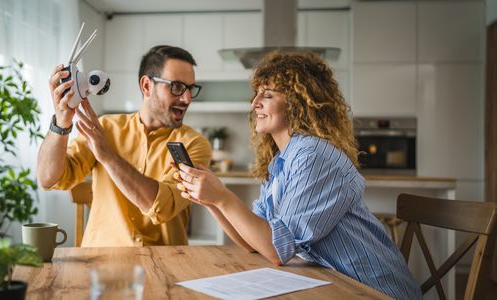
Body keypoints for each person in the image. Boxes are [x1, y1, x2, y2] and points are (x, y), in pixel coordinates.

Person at [174, 51, 421, 299]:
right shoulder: (281, 162)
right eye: (256, 94)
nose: (254, 103)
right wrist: (209, 199)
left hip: (375, 290)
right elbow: (252, 242)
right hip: (334, 284)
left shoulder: (314, 155)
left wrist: (222, 197)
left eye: (267, 95)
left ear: (297, 104)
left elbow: (275, 248)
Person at [37, 45, 212, 247]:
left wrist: (108, 156)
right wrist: (61, 123)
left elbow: (162, 207)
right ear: (146, 86)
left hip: (166, 264)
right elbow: (48, 179)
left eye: (190, 89)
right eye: (177, 87)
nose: (187, 98)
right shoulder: (105, 128)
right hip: (100, 262)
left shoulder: (194, 144)